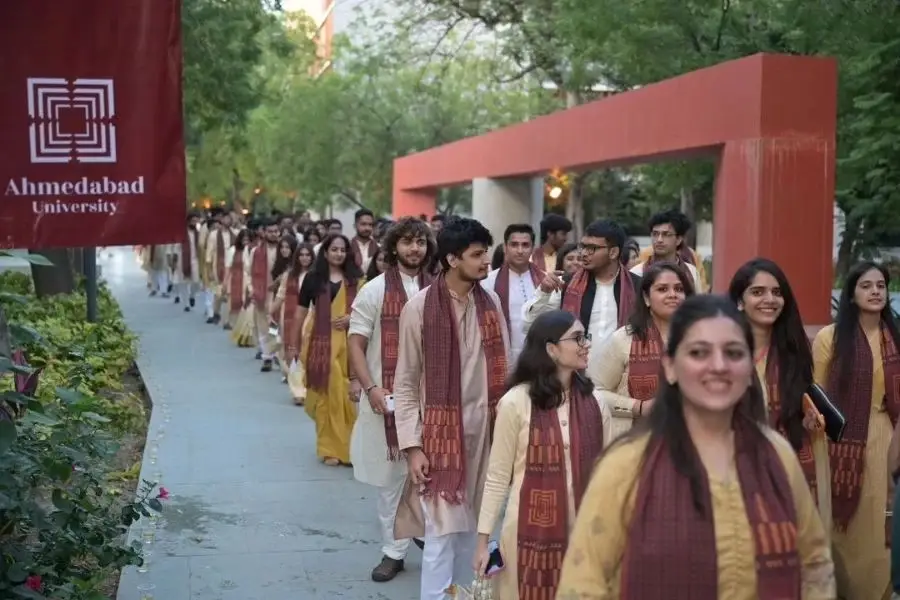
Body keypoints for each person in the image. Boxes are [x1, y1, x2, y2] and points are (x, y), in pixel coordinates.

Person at [557, 294, 836, 599]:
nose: (718, 366)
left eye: (733, 352)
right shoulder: (626, 465)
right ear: (671, 367)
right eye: (699, 352)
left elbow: (815, 565)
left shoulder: (776, 455)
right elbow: (582, 586)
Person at [392, 216, 510, 600]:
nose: (485, 262)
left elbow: (504, 372)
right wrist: (412, 446)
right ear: (452, 259)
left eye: (485, 253)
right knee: (441, 536)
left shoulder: (490, 303)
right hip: (440, 441)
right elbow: (406, 384)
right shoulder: (420, 308)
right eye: (477, 255)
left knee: (476, 532)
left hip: (486, 438)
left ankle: (466, 595)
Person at [474, 310, 611, 599]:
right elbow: (498, 475)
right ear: (551, 349)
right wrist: (483, 541)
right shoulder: (515, 403)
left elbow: (607, 474)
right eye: (577, 338)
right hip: (527, 534)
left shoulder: (596, 401)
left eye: (585, 336)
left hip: (584, 533)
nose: (586, 344)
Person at [347, 217, 435, 582]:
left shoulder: (441, 288)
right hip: (389, 397)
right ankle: (392, 552)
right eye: (407, 242)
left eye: (420, 242)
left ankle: (424, 534)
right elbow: (355, 341)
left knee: (432, 477)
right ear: (394, 247)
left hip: (433, 398)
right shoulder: (375, 289)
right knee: (391, 481)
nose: (414, 249)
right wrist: (370, 388)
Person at [813, 261, 900, 599]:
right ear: (850, 294)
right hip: (840, 442)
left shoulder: (895, 338)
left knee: (883, 528)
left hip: (889, 440)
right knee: (841, 529)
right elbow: (816, 394)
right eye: (866, 285)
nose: (875, 291)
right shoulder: (829, 338)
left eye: (881, 285)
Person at [728, 258, 831, 521]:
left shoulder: (794, 351)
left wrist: (809, 421)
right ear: (739, 301)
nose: (769, 299)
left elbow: (797, 409)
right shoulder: (722, 351)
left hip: (788, 463)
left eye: (776, 292)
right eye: (757, 292)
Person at [589, 262, 693, 439]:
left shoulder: (700, 339)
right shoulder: (624, 339)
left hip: (690, 439)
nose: (672, 295)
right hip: (635, 441)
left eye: (679, 289)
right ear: (646, 298)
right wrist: (638, 407)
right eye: (662, 289)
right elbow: (595, 393)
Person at [290, 233, 363, 466]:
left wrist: (351, 318)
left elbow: (368, 313)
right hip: (320, 345)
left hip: (350, 344)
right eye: (334, 249)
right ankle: (330, 447)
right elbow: (300, 313)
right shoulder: (313, 279)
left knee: (346, 396)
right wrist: (293, 344)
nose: (339, 254)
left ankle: (348, 447)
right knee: (325, 396)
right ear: (325, 252)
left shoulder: (356, 280)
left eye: (343, 250)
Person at [524, 219, 641, 361]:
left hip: (622, 375)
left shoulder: (638, 287)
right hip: (576, 375)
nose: (584, 253)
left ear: (613, 252)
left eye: (592, 248)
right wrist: (543, 292)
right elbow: (528, 324)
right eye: (583, 246)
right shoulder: (565, 284)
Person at [483, 224, 544, 365]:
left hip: (539, 357)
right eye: (514, 245)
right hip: (503, 356)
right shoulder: (488, 282)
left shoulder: (545, 281)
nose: (520, 250)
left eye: (525, 245)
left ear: (533, 249)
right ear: (505, 247)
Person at [271, 242, 313, 404]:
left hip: (311, 317)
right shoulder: (289, 275)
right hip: (290, 317)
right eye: (301, 255)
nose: (304, 258)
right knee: (293, 352)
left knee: (307, 353)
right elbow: (281, 296)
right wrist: (270, 313)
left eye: (307, 255)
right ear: (297, 257)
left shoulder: (317, 275)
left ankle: (307, 387)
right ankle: (297, 391)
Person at [630, 208, 702, 293]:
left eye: (666, 234)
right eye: (655, 234)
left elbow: (698, 304)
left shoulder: (691, 272)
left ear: (679, 239)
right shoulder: (637, 273)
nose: (659, 239)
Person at [245, 219, 280, 372]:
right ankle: (267, 357)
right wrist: (251, 288)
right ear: (264, 233)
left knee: (277, 326)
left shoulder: (284, 250)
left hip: (280, 295)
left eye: (276, 231)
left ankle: (276, 354)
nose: (273, 234)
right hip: (262, 294)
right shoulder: (255, 252)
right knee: (264, 327)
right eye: (270, 231)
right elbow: (248, 272)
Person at [204, 211, 234, 325]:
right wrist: (210, 270)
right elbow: (209, 253)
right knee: (219, 292)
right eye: (225, 219)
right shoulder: (214, 234)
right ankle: (216, 313)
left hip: (231, 266)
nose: (227, 221)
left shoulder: (235, 233)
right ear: (221, 220)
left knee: (229, 292)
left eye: (229, 219)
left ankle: (227, 318)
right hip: (218, 266)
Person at [171, 212, 202, 311]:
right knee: (183, 283)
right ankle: (186, 304)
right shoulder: (181, 233)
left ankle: (192, 296)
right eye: (193, 221)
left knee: (196, 282)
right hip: (182, 260)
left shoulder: (198, 233)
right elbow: (176, 248)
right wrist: (174, 262)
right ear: (188, 221)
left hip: (195, 260)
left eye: (196, 221)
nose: (194, 223)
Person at [351, 208, 379, 273]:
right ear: (355, 225)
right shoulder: (347, 247)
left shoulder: (379, 247)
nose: (367, 228)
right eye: (363, 224)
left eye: (370, 225)